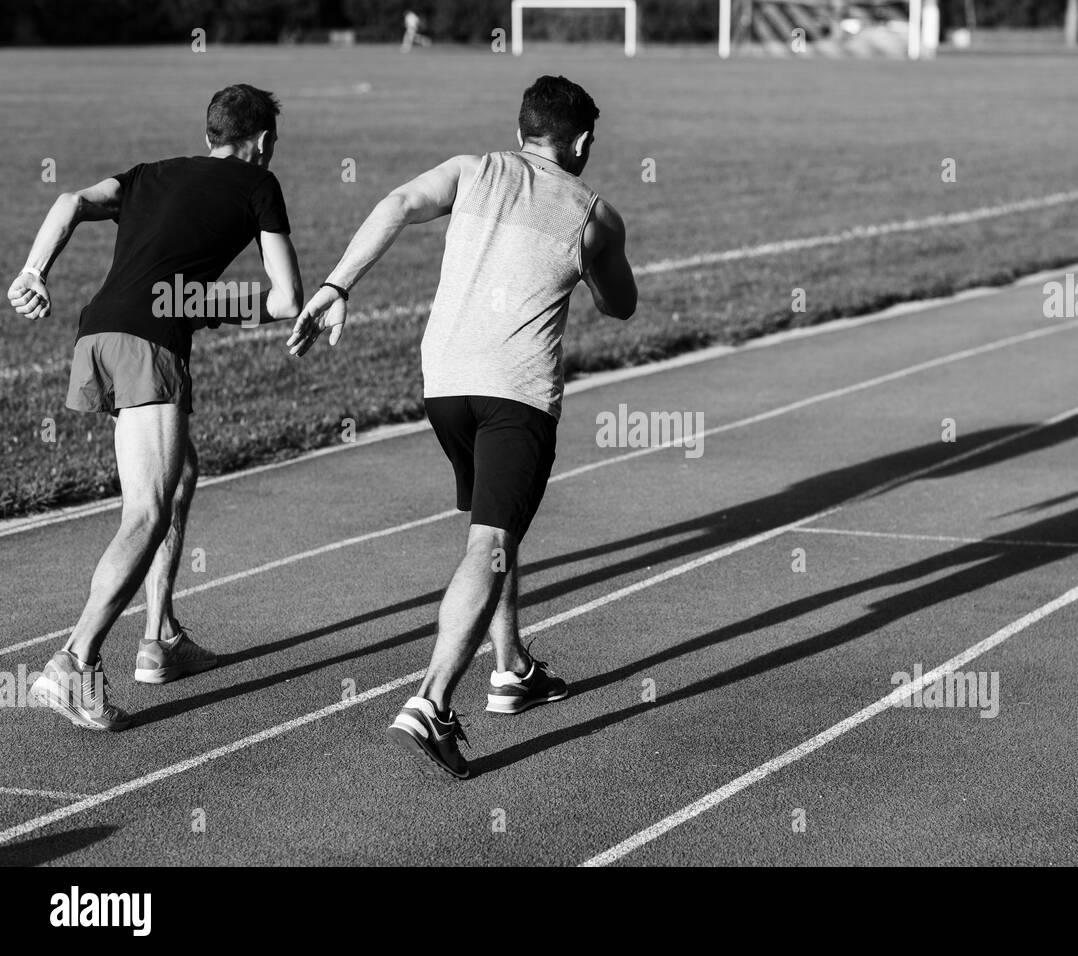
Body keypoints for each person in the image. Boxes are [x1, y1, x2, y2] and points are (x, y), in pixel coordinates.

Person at [288, 75, 637, 779]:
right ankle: (432, 701)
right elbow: (620, 305)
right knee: (492, 541)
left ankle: (511, 670)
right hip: (516, 396)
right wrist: (593, 262)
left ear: (520, 133)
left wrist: (335, 287)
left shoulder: (470, 171)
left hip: (444, 387)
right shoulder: (595, 214)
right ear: (582, 142)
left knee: (493, 532)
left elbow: (395, 203)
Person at [6, 84, 303, 731]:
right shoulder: (259, 182)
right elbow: (284, 299)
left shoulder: (150, 174)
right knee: (146, 511)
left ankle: (160, 638)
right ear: (260, 143)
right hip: (148, 344)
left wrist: (33, 272)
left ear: (209, 137)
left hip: (98, 333)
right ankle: (73, 660)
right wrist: (195, 306)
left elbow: (70, 201)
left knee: (181, 478)